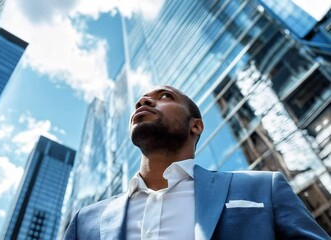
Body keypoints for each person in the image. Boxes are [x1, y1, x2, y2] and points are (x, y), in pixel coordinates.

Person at [64, 85, 330, 239]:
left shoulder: (263, 187)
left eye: (165, 96)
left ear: (196, 126)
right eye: (141, 101)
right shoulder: (86, 221)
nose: (143, 100)